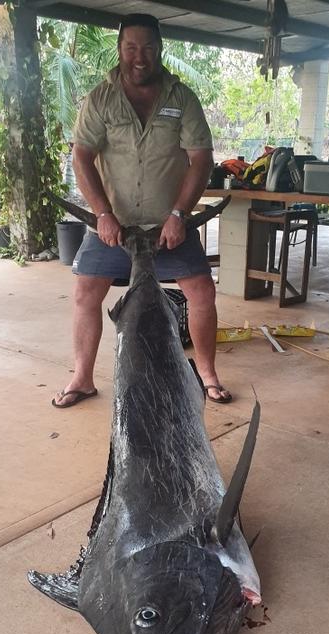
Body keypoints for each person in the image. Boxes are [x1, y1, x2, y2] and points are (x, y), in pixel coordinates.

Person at [52, 13, 232, 408]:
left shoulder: (181, 98)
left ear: (159, 50)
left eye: (148, 48)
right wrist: (101, 213)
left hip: (170, 226)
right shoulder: (100, 98)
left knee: (202, 291)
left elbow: (200, 159)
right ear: (119, 50)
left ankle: (207, 374)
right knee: (85, 292)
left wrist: (180, 215)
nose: (140, 57)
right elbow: (82, 156)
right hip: (112, 226)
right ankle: (82, 378)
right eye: (131, 47)